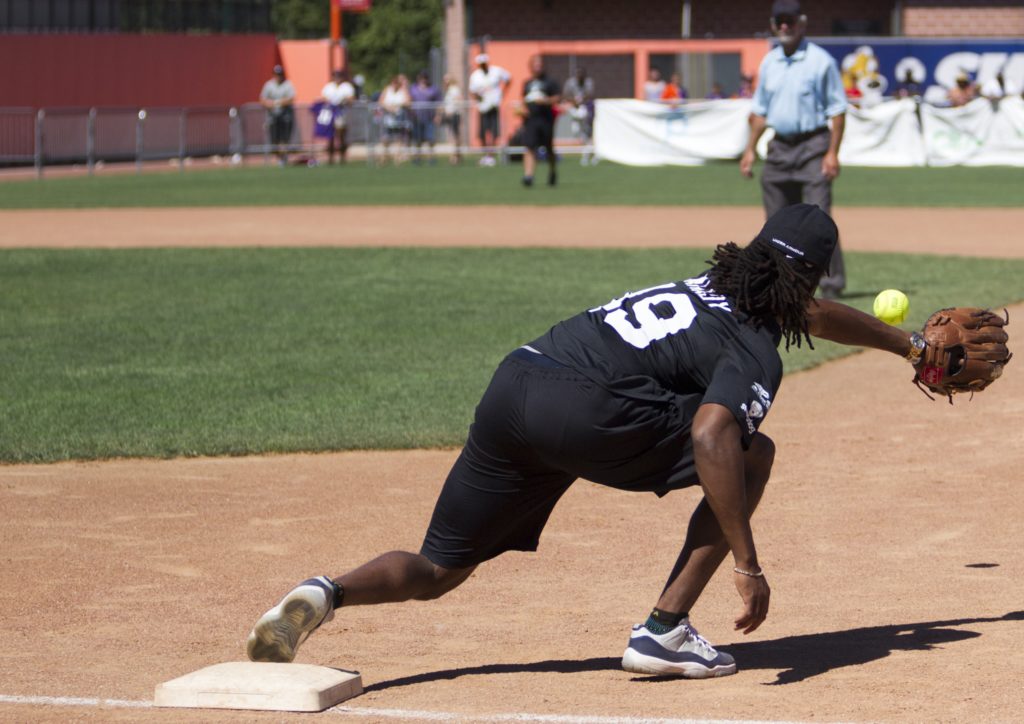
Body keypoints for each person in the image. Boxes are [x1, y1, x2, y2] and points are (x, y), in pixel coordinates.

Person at [246, 204, 931, 679]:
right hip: (588, 414)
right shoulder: (756, 348)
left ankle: (325, 592)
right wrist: (748, 564)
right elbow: (713, 432)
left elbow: (807, 313)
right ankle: (665, 630)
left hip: (516, 384)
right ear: (811, 277)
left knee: (440, 570)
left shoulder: (706, 285)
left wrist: (908, 345)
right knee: (750, 450)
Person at [739, 0, 848, 300]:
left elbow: (838, 110)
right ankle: (779, 283)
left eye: (789, 20)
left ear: (802, 23)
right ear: (774, 25)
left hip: (813, 145)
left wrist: (832, 153)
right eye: (779, 21)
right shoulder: (769, 62)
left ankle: (831, 284)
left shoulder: (820, 61)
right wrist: (749, 150)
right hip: (778, 148)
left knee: (820, 218)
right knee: (776, 221)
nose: (784, 26)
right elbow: (760, 112)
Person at [518, 55, 560, 188]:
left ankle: (552, 171)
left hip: (546, 118)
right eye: (535, 64)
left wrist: (546, 101)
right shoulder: (527, 83)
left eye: (540, 64)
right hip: (531, 120)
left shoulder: (550, 82)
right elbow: (523, 100)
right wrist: (522, 110)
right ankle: (528, 176)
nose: (538, 67)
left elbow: (557, 98)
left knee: (548, 148)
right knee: (529, 147)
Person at [468, 53, 511, 167]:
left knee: (494, 132)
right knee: (482, 132)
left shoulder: (496, 71)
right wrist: (478, 98)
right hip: (483, 107)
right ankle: (485, 155)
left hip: (494, 105)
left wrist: (503, 93)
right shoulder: (475, 75)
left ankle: (491, 155)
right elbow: (472, 91)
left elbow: (508, 78)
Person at [259, 64, 296, 167]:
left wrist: (277, 102)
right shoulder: (269, 85)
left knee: (284, 139)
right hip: (273, 117)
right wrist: (269, 104)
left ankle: (283, 159)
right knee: (274, 139)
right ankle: (280, 158)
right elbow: (262, 99)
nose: (278, 76)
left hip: (285, 117)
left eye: (280, 74)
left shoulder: (287, 84)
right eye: (276, 74)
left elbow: (291, 98)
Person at [319, 69, 356, 164]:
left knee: (341, 135)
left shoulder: (346, 87)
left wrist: (343, 100)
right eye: (335, 76)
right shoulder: (329, 87)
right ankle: (330, 158)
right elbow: (323, 98)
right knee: (330, 136)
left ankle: (342, 158)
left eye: (339, 76)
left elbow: (351, 99)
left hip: (341, 113)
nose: (337, 78)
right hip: (330, 114)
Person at [562, 67, 595, 164]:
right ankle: (589, 149)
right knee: (575, 131)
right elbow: (565, 95)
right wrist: (573, 101)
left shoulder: (588, 82)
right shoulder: (570, 83)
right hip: (574, 108)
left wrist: (581, 100)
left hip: (585, 107)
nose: (580, 77)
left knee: (586, 130)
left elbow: (590, 94)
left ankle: (586, 154)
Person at [409, 70, 442, 164]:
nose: (423, 80)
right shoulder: (413, 88)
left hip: (429, 118)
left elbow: (439, 103)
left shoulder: (433, 89)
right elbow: (409, 100)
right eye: (421, 78)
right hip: (417, 118)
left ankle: (431, 158)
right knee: (417, 139)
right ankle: (417, 158)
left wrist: (438, 115)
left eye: (425, 78)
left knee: (430, 139)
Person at [378, 74, 411, 165]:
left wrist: (398, 105)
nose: (395, 84)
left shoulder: (403, 91)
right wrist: (389, 107)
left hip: (399, 117)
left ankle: (397, 158)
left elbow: (408, 102)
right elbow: (380, 101)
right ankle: (383, 157)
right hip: (388, 117)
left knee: (398, 138)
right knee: (385, 138)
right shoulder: (387, 90)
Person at [438, 74, 464, 165]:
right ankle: (455, 155)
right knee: (452, 135)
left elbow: (459, 99)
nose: (445, 81)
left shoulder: (454, 89)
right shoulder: (448, 90)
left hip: (454, 114)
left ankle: (455, 156)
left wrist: (454, 109)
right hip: (449, 115)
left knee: (454, 136)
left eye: (447, 79)